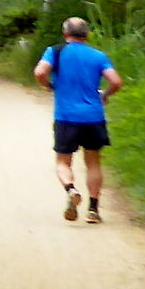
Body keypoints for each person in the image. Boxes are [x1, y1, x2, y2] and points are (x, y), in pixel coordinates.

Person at [34, 15, 122, 223]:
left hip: (66, 116)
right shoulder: (98, 55)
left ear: (65, 34)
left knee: (63, 161)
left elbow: (40, 72)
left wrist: (49, 85)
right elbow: (116, 82)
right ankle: (93, 210)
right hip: (93, 116)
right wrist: (104, 95)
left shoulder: (55, 51)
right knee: (93, 163)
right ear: (87, 35)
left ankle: (71, 190)